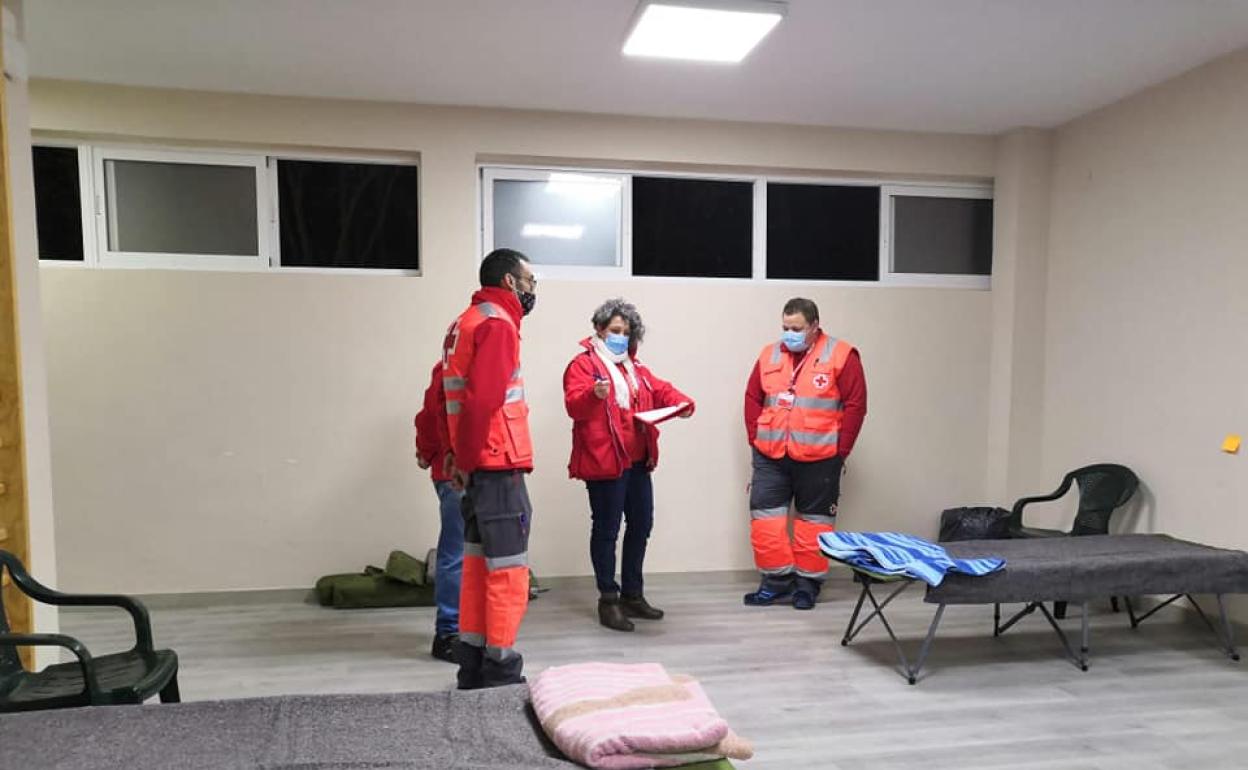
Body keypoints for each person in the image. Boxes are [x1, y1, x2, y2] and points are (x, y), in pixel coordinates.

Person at [563, 298, 694, 632]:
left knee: (641, 525)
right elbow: (574, 407)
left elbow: (660, 389)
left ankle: (632, 596)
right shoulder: (583, 366)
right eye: (614, 331)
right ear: (599, 330)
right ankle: (608, 599)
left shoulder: (634, 368)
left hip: (637, 461)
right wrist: (594, 393)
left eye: (626, 331)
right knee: (606, 530)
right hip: (605, 461)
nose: (620, 337)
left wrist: (682, 402)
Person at [442, 248, 537, 689]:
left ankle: (474, 664)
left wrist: (458, 459)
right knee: (508, 572)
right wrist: (464, 459)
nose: (533, 289)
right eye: (529, 280)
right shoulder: (497, 325)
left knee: (478, 570)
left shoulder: (465, 322)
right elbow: (482, 400)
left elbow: (444, 395)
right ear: (510, 282)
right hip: (497, 464)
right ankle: (500, 669)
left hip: (479, 466)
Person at [742, 297, 867, 610]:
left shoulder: (841, 355)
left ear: (814, 326)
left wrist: (842, 450)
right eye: (785, 327)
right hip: (771, 455)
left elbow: (856, 404)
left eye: (796, 328)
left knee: (814, 523)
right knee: (765, 521)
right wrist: (754, 437)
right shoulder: (769, 353)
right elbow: (752, 396)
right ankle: (775, 583)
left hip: (820, 456)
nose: (789, 333)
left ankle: (806, 586)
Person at [414, 360, 463, 664]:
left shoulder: (451, 365)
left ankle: (458, 631)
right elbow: (431, 417)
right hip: (455, 472)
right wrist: (431, 452)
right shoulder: (450, 368)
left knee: (464, 554)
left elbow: (426, 417)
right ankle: (448, 633)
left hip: (472, 470)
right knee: (456, 553)